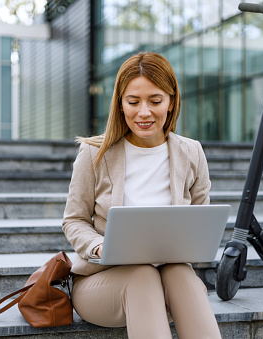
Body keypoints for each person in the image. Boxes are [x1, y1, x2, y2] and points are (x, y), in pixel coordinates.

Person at [62, 52, 221, 339]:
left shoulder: (192, 152)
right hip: (102, 282)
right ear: (120, 105)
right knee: (143, 275)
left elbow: (200, 224)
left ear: (171, 102)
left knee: (181, 274)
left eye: (155, 101)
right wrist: (100, 246)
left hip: (170, 281)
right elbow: (74, 221)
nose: (144, 112)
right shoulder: (93, 153)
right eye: (133, 102)